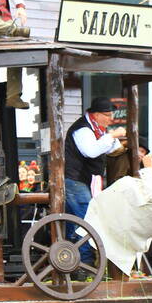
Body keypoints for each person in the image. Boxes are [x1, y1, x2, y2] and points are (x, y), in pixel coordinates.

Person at [63, 97, 126, 263]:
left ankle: (71, 262)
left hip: (80, 180)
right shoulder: (83, 129)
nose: (110, 118)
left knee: (75, 223)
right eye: (107, 114)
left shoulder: (98, 129)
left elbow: (115, 147)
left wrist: (113, 138)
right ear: (96, 115)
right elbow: (91, 151)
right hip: (74, 180)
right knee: (86, 221)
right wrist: (112, 135)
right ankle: (84, 263)